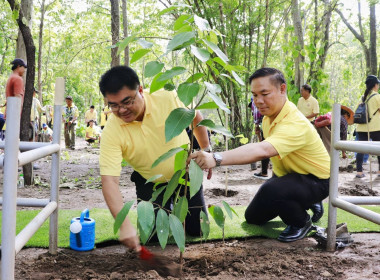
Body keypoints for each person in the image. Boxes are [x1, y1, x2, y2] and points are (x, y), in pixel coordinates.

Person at [189, 68, 330, 242]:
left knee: (273, 190)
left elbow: (262, 150)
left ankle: (301, 222)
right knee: (253, 217)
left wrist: (216, 158)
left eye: (264, 93)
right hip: (290, 177)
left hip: (317, 180)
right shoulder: (267, 118)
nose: (259, 101)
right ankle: (304, 201)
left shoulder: (295, 122)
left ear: (282, 89)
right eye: (255, 95)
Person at [99, 66, 211, 251]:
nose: (122, 110)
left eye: (127, 101)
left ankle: (182, 210)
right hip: (150, 181)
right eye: (114, 105)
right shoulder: (112, 129)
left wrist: (206, 149)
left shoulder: (166, 97)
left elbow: (195, 116)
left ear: (140, 90)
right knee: (152, 237)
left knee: (197, 229)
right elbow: (109, 180)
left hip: (185, 174)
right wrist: (124, 226)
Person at [355, 75, 380, 179]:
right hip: (375, 128)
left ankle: (359, 172)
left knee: (361, 150)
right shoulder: (377, 96)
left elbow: (356, 112)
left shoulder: (362, 97)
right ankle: (379, 171)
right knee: (379, 149)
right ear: (375, 85)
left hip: (361, 128)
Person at [248, 97, 270, 179]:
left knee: (265, 148)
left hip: (266, 125)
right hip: (272, 125)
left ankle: (264, 172)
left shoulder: (254, 102)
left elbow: (257, 116)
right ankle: (266, 172)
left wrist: (257, 126)